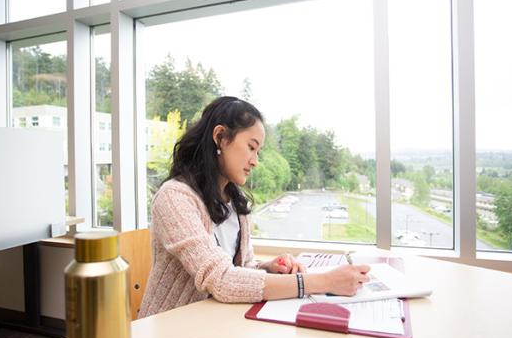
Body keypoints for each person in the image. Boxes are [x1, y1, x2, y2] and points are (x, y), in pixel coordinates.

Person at [138, 96, 369, 317]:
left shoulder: (235, 203)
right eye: (251, 147)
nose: (255, 160)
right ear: (220, 137)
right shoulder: (174, 198)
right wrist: (325, 282)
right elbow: (221, 280)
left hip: (216, 325)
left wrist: (267, 268)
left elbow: (239, 269)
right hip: (170, 331)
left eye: (258, 151)